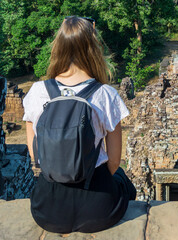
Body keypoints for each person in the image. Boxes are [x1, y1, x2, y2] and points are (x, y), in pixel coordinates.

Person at [23, 16, 136, 233]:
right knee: (122, 178)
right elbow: (113, 162)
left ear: (57, 48)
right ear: (94, 49)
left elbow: (35, 156)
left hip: (47, 210)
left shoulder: (37, 91)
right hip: (99, 209)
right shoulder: (105, 94)